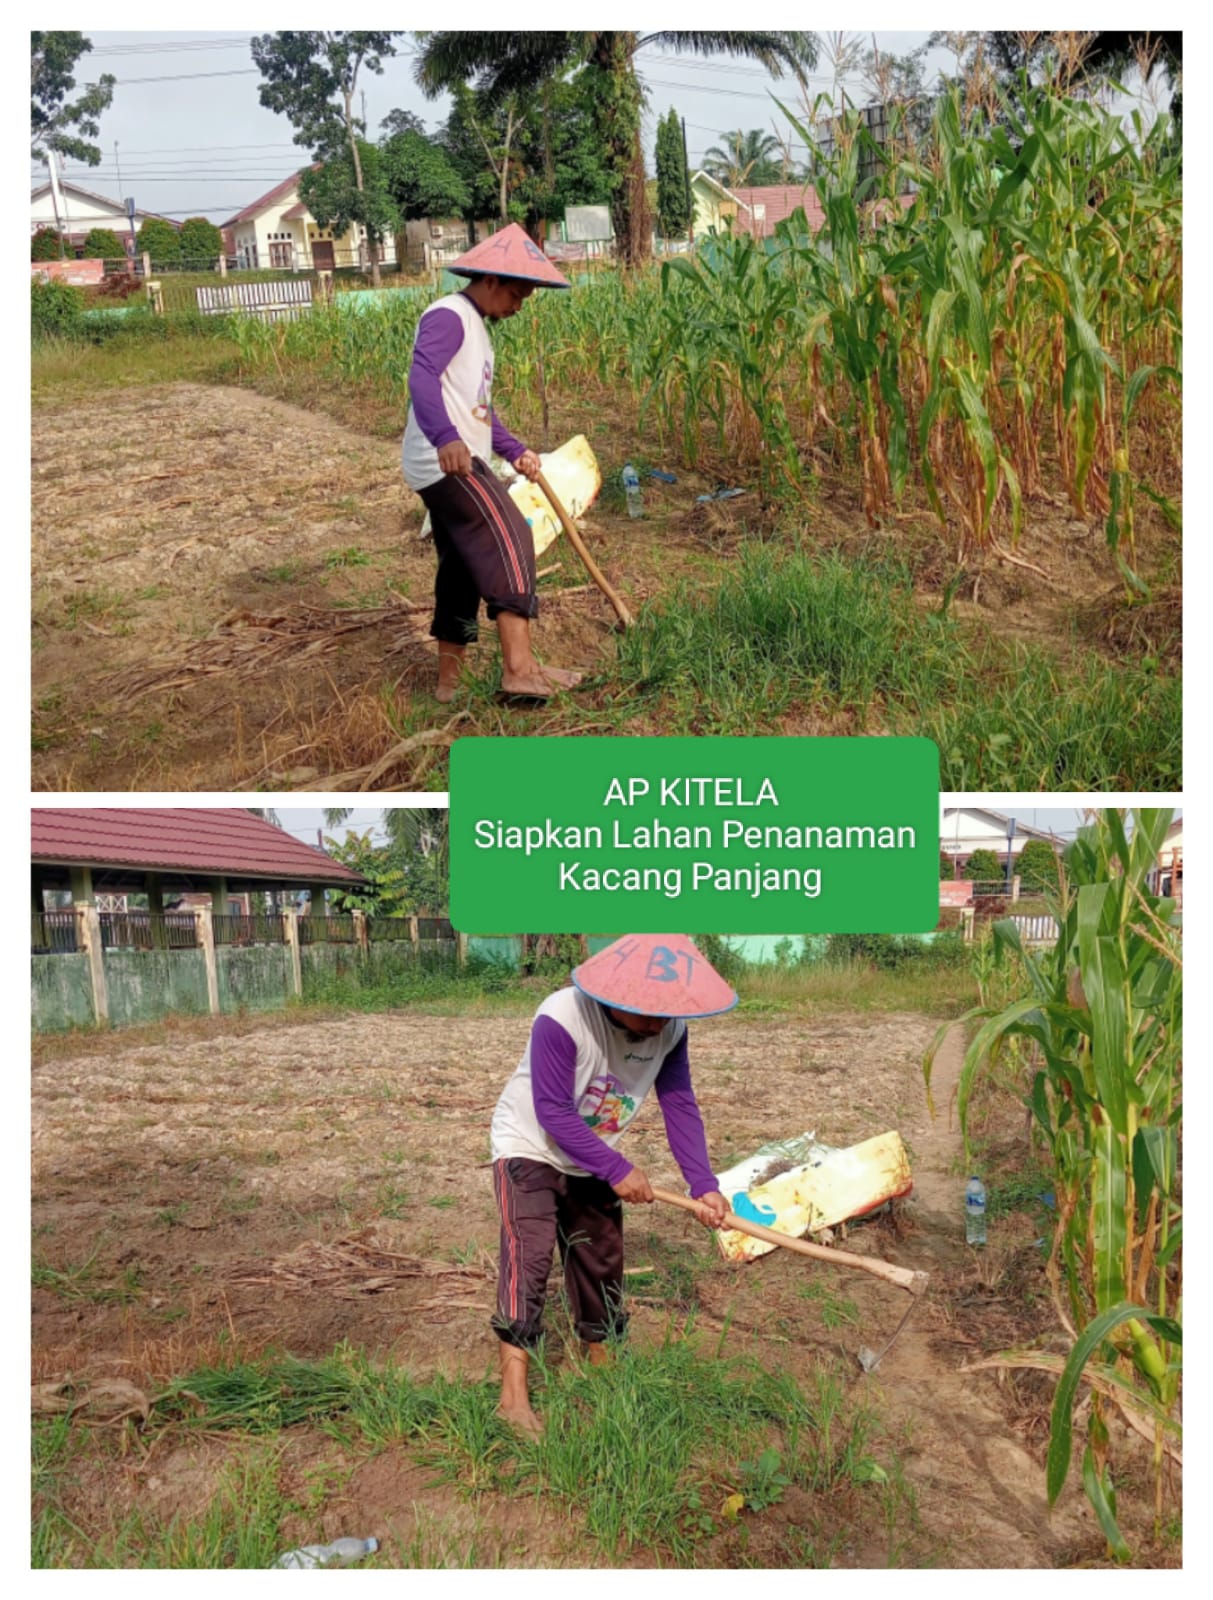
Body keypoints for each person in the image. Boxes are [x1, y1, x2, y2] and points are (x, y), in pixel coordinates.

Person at [488, 934, 738, 1436]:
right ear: (615, 994)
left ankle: (601, 1364)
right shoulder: (563, 1016)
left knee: (600, 1258)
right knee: (528, 1258)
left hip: (592, 1154)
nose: (658, 1024)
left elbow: (679, 1103)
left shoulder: (670, 1031)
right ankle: (512, 1397)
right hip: (529, 1146)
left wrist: (703, 1184)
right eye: (649, 1013)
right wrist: (618, 1169)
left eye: (668, 1013)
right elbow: (553, 1111)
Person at [401, 222, 584, 704]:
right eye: (516, 295)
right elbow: (421, 377)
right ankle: (520, 669)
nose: (519, 306)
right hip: (448, 464)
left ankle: (449, 682)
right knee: (513, 534)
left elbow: (478, 410)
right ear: (489, 280)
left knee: (460, 567)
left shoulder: (474, 328)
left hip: (449, 460)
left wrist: (514, 450)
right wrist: (445, 438)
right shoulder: (450, 315)